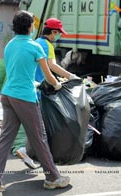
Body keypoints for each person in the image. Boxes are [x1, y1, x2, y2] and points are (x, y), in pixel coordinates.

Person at [0, 10, 70, 192]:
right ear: (30, 26)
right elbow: (49, 76)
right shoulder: (34, 47)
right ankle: (53, 177)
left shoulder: (10, 45)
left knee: (6, 138)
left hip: (7, 95)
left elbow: (17, 71)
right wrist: (58, 85)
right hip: (25, 97)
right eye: (33, 23)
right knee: (39, 137)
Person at [14, 17, 81, 168]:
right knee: (40, 128)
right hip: (38, 90)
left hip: (27, 87)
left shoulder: (36, 41)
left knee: (33, 127)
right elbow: (52, 66)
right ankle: (44, 164)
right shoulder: (47, 45)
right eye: (58, 33)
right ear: (54, 32)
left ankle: (28, 152)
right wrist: (70, 76)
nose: (59, 36)